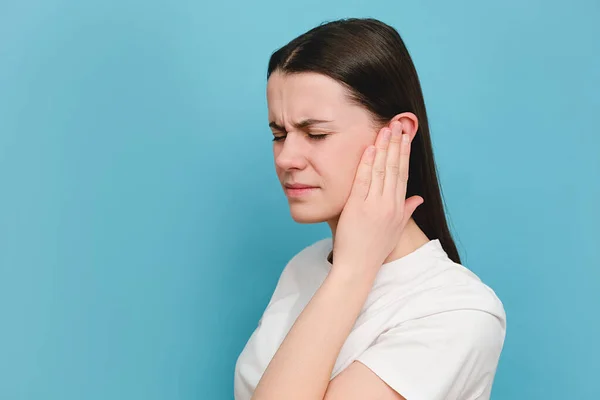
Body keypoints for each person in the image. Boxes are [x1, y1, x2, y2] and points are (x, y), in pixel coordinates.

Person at [234, 17, 506, 400]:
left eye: (316, 134)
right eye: (279, 134)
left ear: (399, 133)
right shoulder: (304, 267)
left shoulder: (458, 312)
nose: (286, 158)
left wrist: (352, 271)